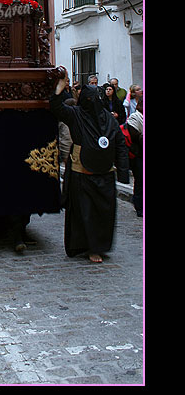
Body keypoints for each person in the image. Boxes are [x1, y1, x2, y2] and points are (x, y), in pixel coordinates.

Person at [50, 74, 129, 264]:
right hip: (81, 174)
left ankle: (98, 247)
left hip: (105, 174)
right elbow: (57, 108)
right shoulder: (76, 114)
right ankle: (84, 246)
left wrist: (124, 172)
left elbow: (120, 144)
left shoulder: (109, 121)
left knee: (102, 214)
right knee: (84, 214)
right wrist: (59, 88)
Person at [124, 96, 143, 217]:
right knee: (140, 180)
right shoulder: (135, 118)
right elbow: (134, 136)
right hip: (138, 154)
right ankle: (139, 206)